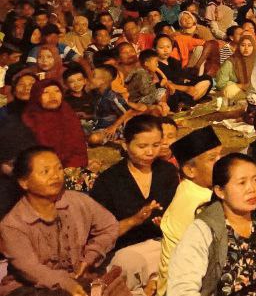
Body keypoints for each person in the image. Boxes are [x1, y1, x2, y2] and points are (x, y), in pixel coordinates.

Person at [167, 154, 256, 296]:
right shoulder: (203, 230)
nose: (252, 189)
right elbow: (182, 290)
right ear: (220, 191)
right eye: (242, 183)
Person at [0, 147, 119, 296]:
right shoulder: (13, 224)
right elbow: (29, 268)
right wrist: (65, 283)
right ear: (24, 182)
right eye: (45, 172)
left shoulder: (78, 201)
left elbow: (110, 226)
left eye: (59, 168)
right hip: (28, 288)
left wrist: (90, 256)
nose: (55, 176)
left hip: (76, 279)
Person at [89, 115, 180, 296]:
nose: (150, 152)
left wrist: (166, 223)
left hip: (161, 246)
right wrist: (134, 220)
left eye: (156, 145)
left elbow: (176, 217)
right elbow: (99, 235)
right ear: (125, 145)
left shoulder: (167, 172)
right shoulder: (109, 181)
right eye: (142, 146)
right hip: (125, 253)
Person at [157, 126, 224, 295]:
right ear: (190, 170)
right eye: (212, 159)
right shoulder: (199, 201)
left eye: (220, 155)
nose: (221, 163)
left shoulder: (192, 187)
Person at [23, 78, 90, 169]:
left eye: (57, 91)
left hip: (71, 168)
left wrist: (70, 168)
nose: (53, 96)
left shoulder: (67, 113)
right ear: (36, 96)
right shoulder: (29, 119)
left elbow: (79, 149)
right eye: (45, 92)